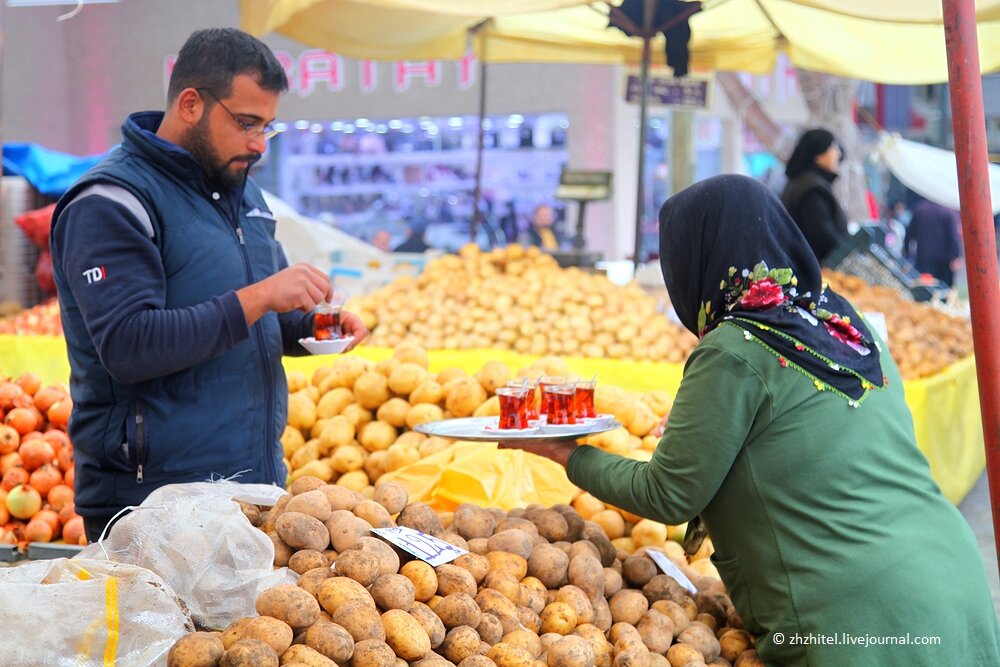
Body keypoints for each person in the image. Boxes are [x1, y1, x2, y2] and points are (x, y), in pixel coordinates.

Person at [501, 175, 1000, 666]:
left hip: (856, 620)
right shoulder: (848, 326)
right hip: (953, 582)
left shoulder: (734, 347)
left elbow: (668, 494)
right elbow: (809, 436)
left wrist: (567, 453)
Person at [50, 28, 368, 543]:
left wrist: (313, 327)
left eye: (268, 127)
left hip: (252, 487)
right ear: (191, 103)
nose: (259, 144)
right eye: (246, 123)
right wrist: (262, 295)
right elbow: (130, 346)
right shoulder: (110, 202)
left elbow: (262, 319)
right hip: (152, 505)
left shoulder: (245, 196)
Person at [781, 128, 850, 264]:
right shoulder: (811, 189)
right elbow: (824, 236)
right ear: (818, 156)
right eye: (832, 147)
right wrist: (848, 254)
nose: (838, 153)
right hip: (816, 272)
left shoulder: (803, 182)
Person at [903, 196, 963, 286]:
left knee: (922, 289)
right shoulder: (949, 213)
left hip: (923, 258)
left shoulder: (920, 209)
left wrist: (906, 251)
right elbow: (953, 237)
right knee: (943, 291)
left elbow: (909, 234)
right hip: (944, 262)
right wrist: (956, 256)